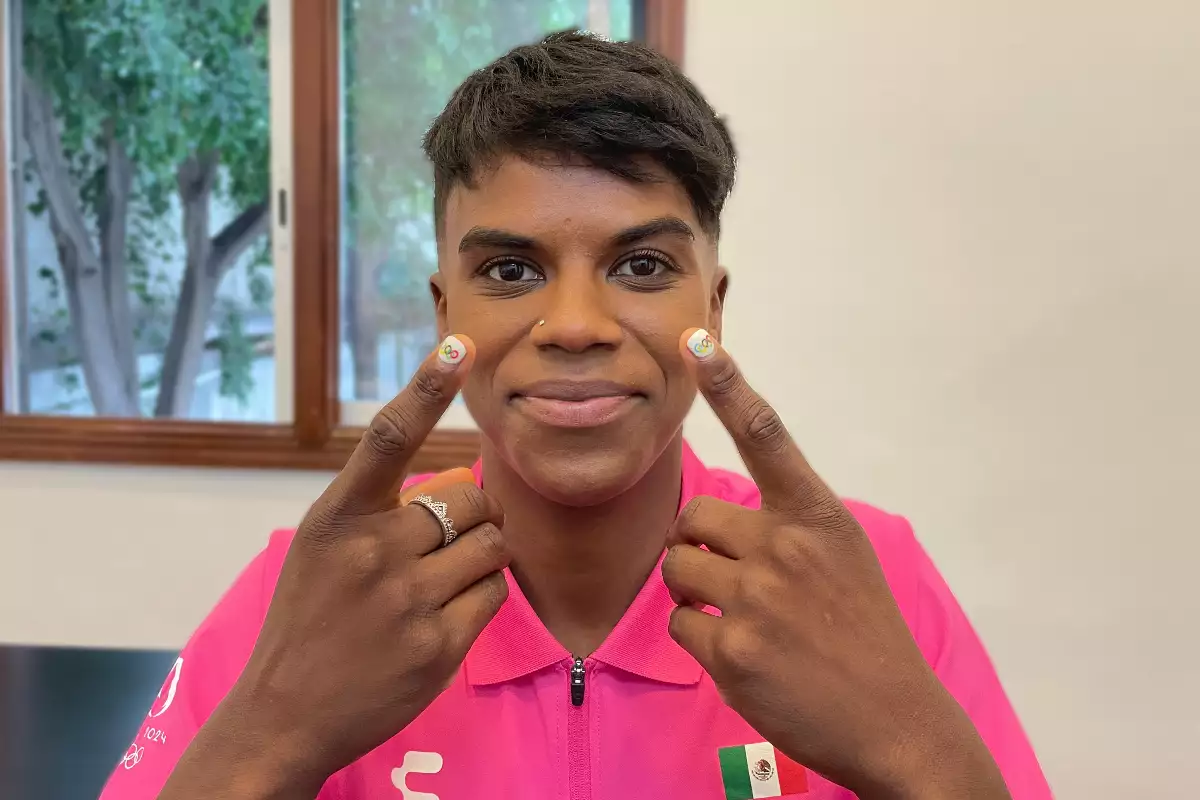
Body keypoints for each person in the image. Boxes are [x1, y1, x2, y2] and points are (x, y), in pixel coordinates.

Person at [100, 32, 1050, 800]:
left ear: (711, 308)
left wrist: (917, 758)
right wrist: (276, 735)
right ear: (445, 312)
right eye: (510, 271)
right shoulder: (321, 588)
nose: (577, 326)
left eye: (642, 266)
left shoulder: (856, 577)